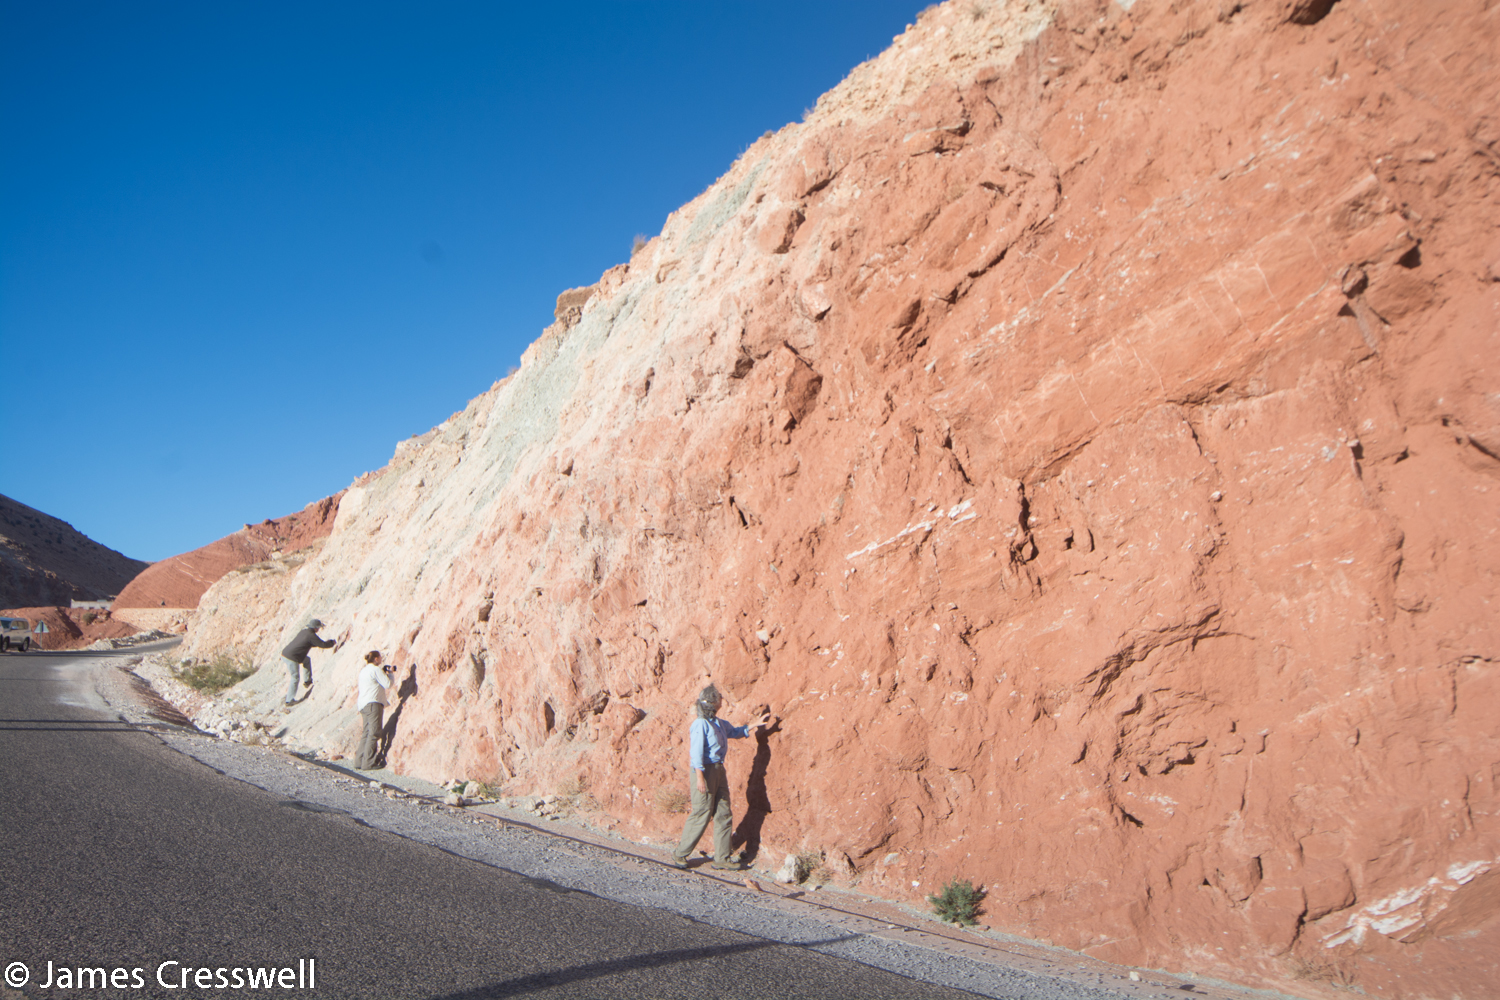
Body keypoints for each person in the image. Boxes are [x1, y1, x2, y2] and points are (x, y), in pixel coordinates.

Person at [671, 684, 771, 871]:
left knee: (723, 812)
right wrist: (700, 778)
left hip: (718, 770)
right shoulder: (700, 724)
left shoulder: (718, 723)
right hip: (704, 772)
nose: (722, 700)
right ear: (712, 702)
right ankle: (680, 854)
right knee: (702, 813)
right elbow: (696, 754)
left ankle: (722, 858)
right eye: (719, 697)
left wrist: (754, 725)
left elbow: (734, 732)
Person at [355, 650, 394, 770]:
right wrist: (390, 673)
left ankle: (359, 761)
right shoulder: (375, 669)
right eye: (380, 657)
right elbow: (388, 684)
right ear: (376, 659)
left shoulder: (364, 670)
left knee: (366, 733)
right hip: (373, 703)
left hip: (363, 704)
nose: (381, 659)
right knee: (374, 733)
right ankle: (368, 763)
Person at [281, 618, 334, 705]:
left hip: (286, 653)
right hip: (291, 657)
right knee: (295, 677)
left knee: (306, 660)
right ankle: (289, 700)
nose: (319, 629)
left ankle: (307, 681)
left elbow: (308, 643)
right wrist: (332, 643)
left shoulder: (304, 631)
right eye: (318, 628)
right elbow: (323, 645)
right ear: (315, 627)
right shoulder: (311, 635)